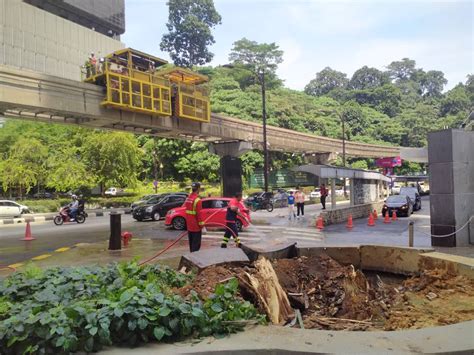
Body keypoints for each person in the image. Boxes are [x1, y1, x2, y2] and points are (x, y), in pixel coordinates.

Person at [184, 182, 203, 252]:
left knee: (191, 246)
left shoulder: (188, 199)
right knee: (196, 247)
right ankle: (194, 261)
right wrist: (201, 225)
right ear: (198, 189)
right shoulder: (197, 200)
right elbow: (199, 215)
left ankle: (191, 258)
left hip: (189, 226)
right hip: (196, 227)